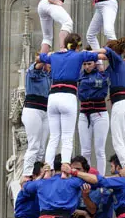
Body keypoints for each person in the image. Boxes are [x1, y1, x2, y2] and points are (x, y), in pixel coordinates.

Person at [39, 36, 99, 169]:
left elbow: (41, 56)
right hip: (68, 96)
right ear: (77, 46)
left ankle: (47, 168)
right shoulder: (79, 55)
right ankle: (65, 168)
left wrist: (51, 53)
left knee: (54, 137)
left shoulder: (55, 56)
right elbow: (96, 55)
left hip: (53, 96)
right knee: (67, 137)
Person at [96, 38, 125, 176]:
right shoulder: (123, 66)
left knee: (118, 141)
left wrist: (87, 53)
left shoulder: (117, 60)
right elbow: (103, 74)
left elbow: (105, 52)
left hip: (121, 105)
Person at [77, 59, 110, 175]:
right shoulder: (79, 75)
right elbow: (82, 94)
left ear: (95, 63)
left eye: (89, 64)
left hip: (99, 113)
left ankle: (100, 178)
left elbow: (102, 92)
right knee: (85, 151)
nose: (86, 67)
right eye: (84, 64)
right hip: (84, 114)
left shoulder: (102, 74)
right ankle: (86, 176)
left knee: (100, 150)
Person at [21, 63, 51, 179]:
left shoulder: (49, 76)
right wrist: (43, 58)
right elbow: (36, 67)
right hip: (33, 109)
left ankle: (37, 172)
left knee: (42, 147)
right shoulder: (34, 73)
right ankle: (27, 174)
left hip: (45, 110)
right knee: (34, 144)